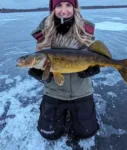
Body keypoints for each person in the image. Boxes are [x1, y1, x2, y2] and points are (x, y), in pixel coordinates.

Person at [28, 0, 100, 140]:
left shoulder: (86, 29)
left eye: (68, 5)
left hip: (81, 91)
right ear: (53, 9)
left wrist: (94, 67)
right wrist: (39, 73)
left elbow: (93, 54)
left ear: (75, 8)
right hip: (54, 92)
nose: (64, 10)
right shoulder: (43, 31)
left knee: (86, 133)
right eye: (58, 5)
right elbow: (40, 58)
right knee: (49, 134)